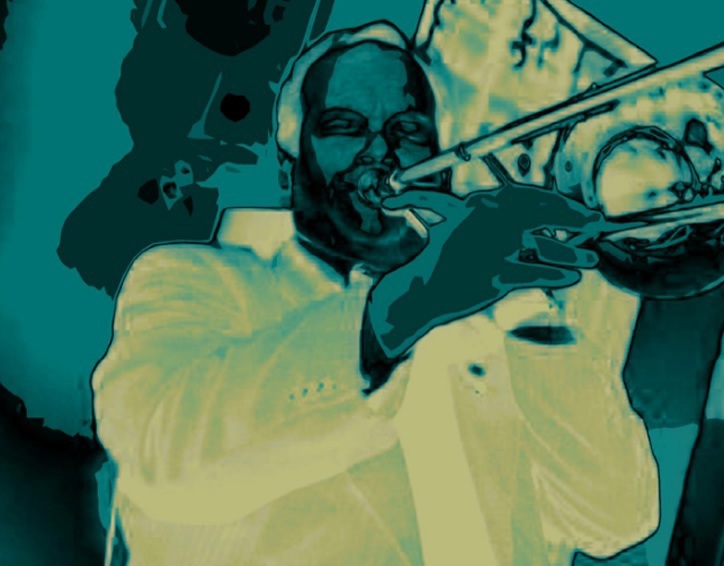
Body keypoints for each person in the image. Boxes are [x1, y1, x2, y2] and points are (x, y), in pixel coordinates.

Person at [92, 21, 658, 565]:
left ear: (442, 168)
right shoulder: (192, 279)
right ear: (290, 165)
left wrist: (528, 303)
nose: (380, 151)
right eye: (344, 125)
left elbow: (615, 518)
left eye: (408, 131)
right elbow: (161, 458)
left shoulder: (493, 342)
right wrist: (411, 301)